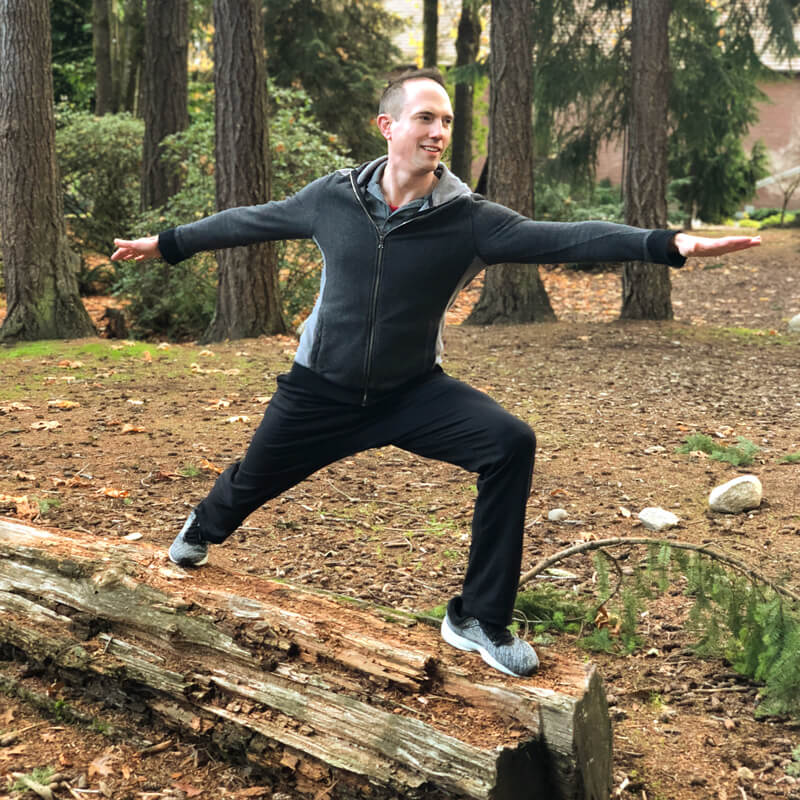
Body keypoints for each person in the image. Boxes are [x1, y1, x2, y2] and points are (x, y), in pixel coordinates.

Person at [112, 68, 760, 679]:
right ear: (387, 127)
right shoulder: (333, 198)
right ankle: (202, 528)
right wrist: (167, 244)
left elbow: (566, 238)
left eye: (446, 121)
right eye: (425, 118)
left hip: (410, 393)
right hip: (318, 391)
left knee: (510, 443)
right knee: (249, 483)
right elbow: (251, 222)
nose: (438, 132)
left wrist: (663, 244)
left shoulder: (470, 220)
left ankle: (478, 619)